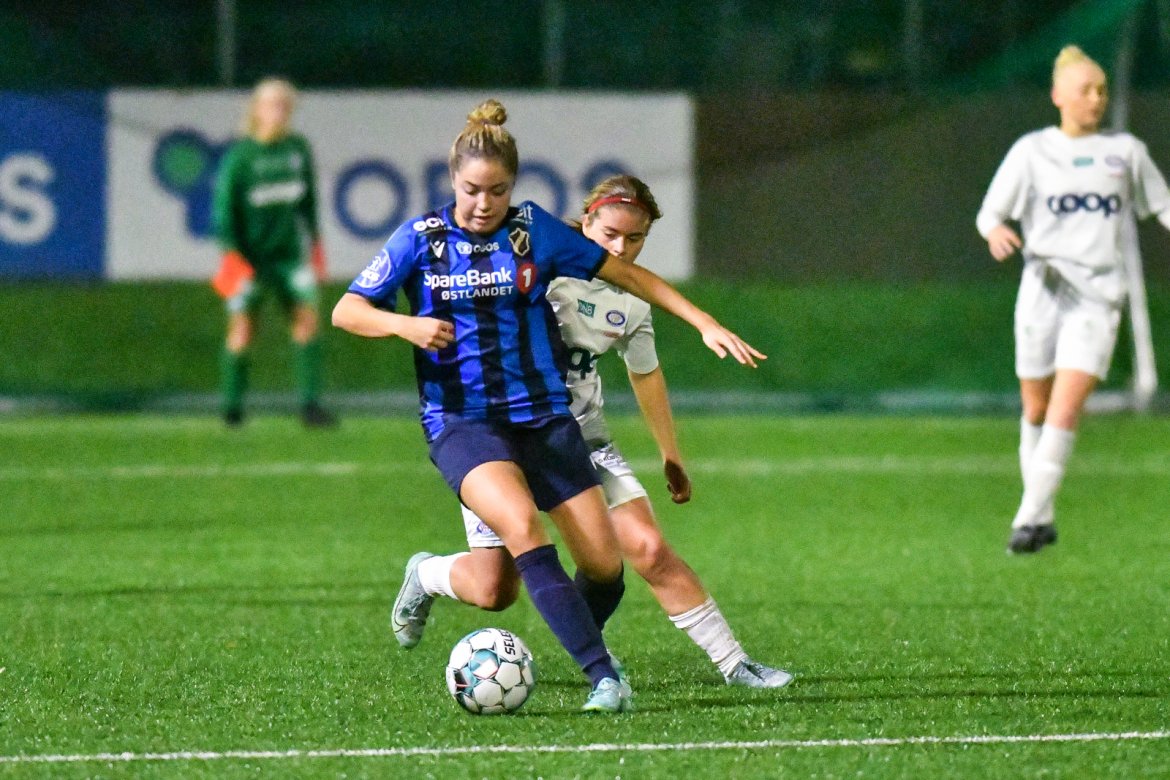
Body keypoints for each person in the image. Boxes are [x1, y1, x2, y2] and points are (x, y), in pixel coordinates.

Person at [332, 99, 765, 712]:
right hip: (464, 422)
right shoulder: (420, 239)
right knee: (523, 527)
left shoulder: (534, 231)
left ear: (514, 186)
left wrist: (703, 321)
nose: (484, 204)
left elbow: (628, 277)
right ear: (452, 181)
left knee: (582, 571)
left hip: (544, 419)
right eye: (472, 191)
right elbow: (347, 310)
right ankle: (604, 678)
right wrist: (405, 326)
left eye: (498, 191)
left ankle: (427, 574)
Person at [391, 175, 793, 689]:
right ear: (586, 223)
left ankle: (733, 663)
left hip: (582, 438)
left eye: (635, 238)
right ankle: (426, 574)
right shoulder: (539, 261)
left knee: (647, 548)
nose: (620, 248)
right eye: (610, 234)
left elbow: (645, 373)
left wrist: (669, 452)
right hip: (502, 435)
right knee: (494, 590)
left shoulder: (631, 300)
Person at [976, 45, 1170, 554]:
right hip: (1042, 289)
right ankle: (1042, 516)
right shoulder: (1031, 151)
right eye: (1086, 90)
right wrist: (995, 231)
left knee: (1065, 408)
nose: (1096, 99)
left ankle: (1027, 519)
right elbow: (989, 213)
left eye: (1102, 90)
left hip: (1098, 297)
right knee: (1036, 407)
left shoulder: (1125, 152)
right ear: (1058, 95)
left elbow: (1163, 205)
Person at [211, 77, 336, 428]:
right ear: (257, 110)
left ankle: (310, 405)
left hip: (289, 257)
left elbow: (309, 202)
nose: (279, 112)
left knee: (307, 319)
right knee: (242, 327)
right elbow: (224, 211)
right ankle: (232, 408)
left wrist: (316, 244)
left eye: (284, 105)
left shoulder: (297, 150)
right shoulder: (241, 157)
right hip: (249, 259)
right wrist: (231, 254)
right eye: (272, 105)